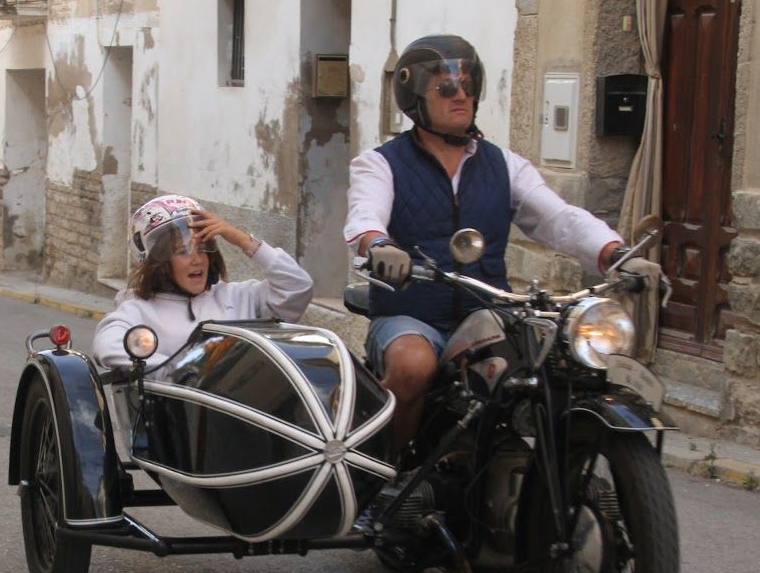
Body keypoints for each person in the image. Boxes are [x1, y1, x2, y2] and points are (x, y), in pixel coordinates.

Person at [344, 34, 661, 458]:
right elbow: (365, 214)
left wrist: (614, 254)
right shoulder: (381, 163)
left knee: (551, 364)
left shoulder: (504, 165)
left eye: (469, 84)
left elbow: (557, 218)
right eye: (446, 87)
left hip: (486, 311)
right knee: (412, 366)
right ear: (415, 95)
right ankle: (384, 470)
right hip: (411, 311)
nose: (461, 94)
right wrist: (378, 245)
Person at [93, 194, 314, 369]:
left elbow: (298, 286)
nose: (197, 260)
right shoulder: (138, 309)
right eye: (182, 252)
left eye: (202, 248)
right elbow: (107, 346)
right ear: (159, 263)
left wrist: (240, 238)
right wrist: (182, 373)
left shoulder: (239, 297)